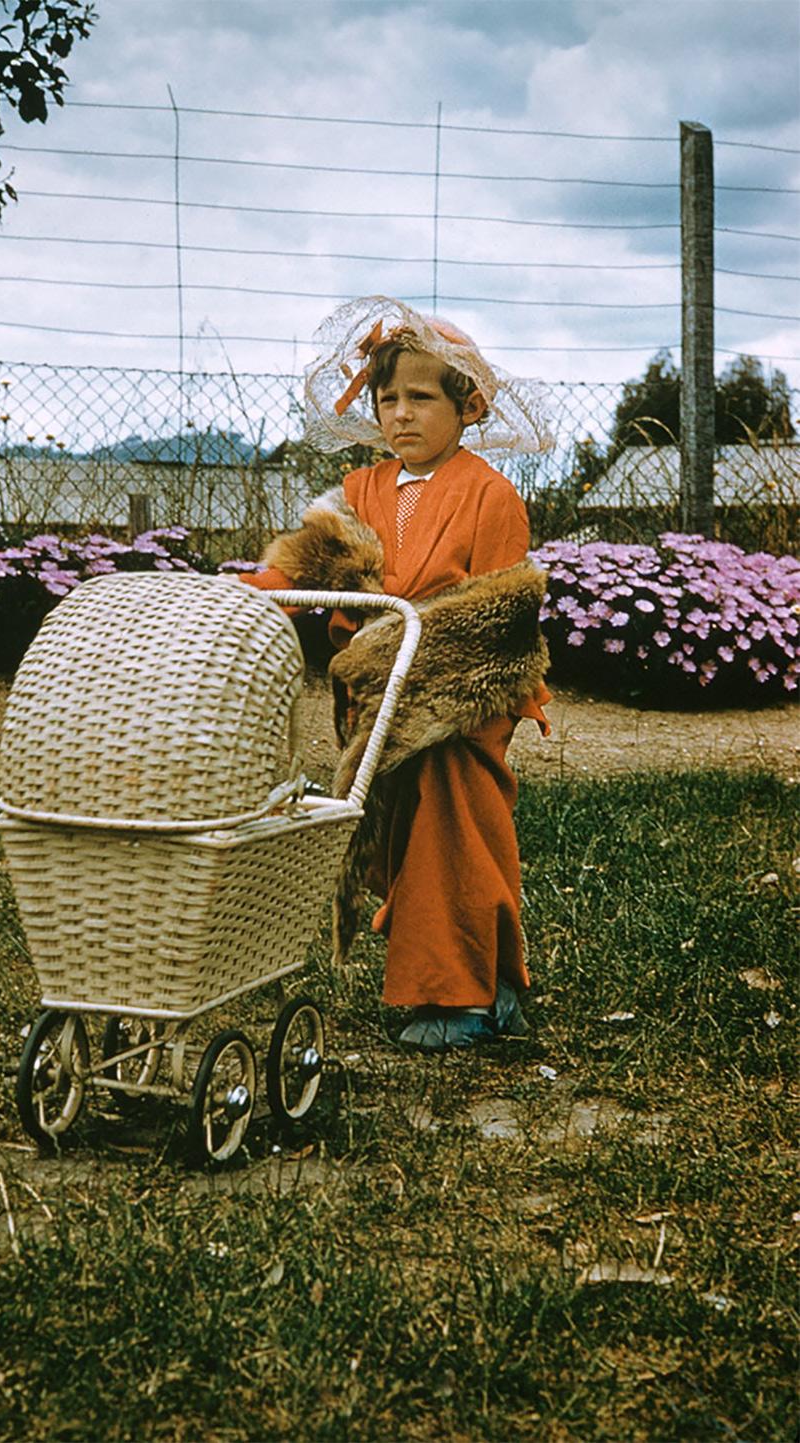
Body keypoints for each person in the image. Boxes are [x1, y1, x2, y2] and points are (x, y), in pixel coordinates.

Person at [242, 296, 552, 1053]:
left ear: (465, 405)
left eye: (422, 397)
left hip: (456, 700)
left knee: (458, 832)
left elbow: (503, 604)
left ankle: (451, 993)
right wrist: (259, 596)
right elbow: (307, 554)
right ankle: (496, 978)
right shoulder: (360, 492)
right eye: (388, 399)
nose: (402, 415)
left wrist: (446, 671)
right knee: (402, 839)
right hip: (377, 695)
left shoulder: (489, 494)